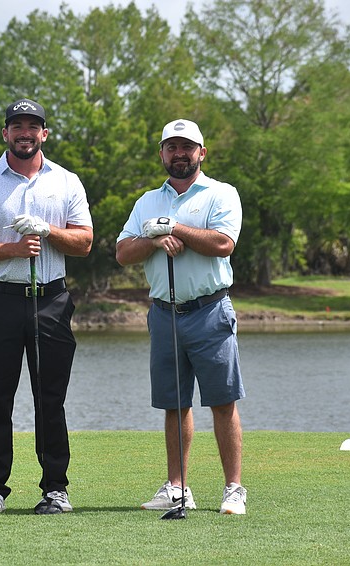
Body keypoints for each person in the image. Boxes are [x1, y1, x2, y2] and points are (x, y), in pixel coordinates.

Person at [0, 98, 93, 514]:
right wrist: (13, 249)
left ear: (44, 133)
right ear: (5, 134)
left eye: (33, 126)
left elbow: (84, 242)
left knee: (50, 398)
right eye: (17, 126)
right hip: (1, 300)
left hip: (51, 300)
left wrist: (48, 231)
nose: (25, 133)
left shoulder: (66, 182)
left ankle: (55, 489)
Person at [115, 118, 248, 515]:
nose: (179, 153)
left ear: (201, 153)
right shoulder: (146, 202)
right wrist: (154, 241)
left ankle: (233, 489)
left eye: (186, 147)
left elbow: (223, 243)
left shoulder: (221, 194)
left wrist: (176, 227)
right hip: (164, 313)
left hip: (210, 310)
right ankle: (178, 487)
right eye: (171, 147)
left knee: (222, 402)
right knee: (174, 404)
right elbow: (122, 252)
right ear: (162, 154)